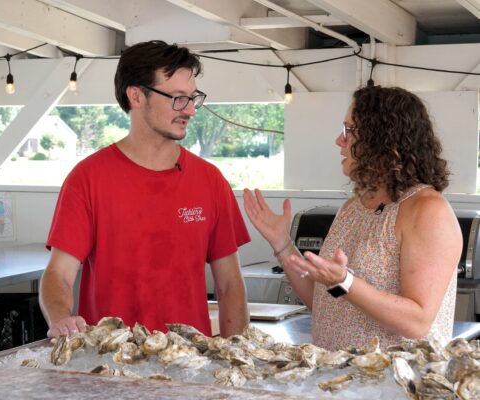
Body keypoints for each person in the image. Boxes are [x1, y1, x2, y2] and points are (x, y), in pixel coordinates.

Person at [39, 40, 250, 339]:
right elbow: (58, 274)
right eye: (178, 98)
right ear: (136, 96)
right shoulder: (87, 179)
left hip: (189, 367)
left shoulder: (211, 181)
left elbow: (230, 285)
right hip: (108, 366)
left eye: (193, 98)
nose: (190, 110)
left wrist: (236, 354)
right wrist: (61, 318)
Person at [244, 86, 462, 351]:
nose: (339, 140)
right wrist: (282, 244)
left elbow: (417, 323)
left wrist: (345, 281)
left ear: (383, 138)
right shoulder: (353, 207)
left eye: (349, 130)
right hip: (340, 382)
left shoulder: (427, 210)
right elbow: (323, 300)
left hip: (393, 386)